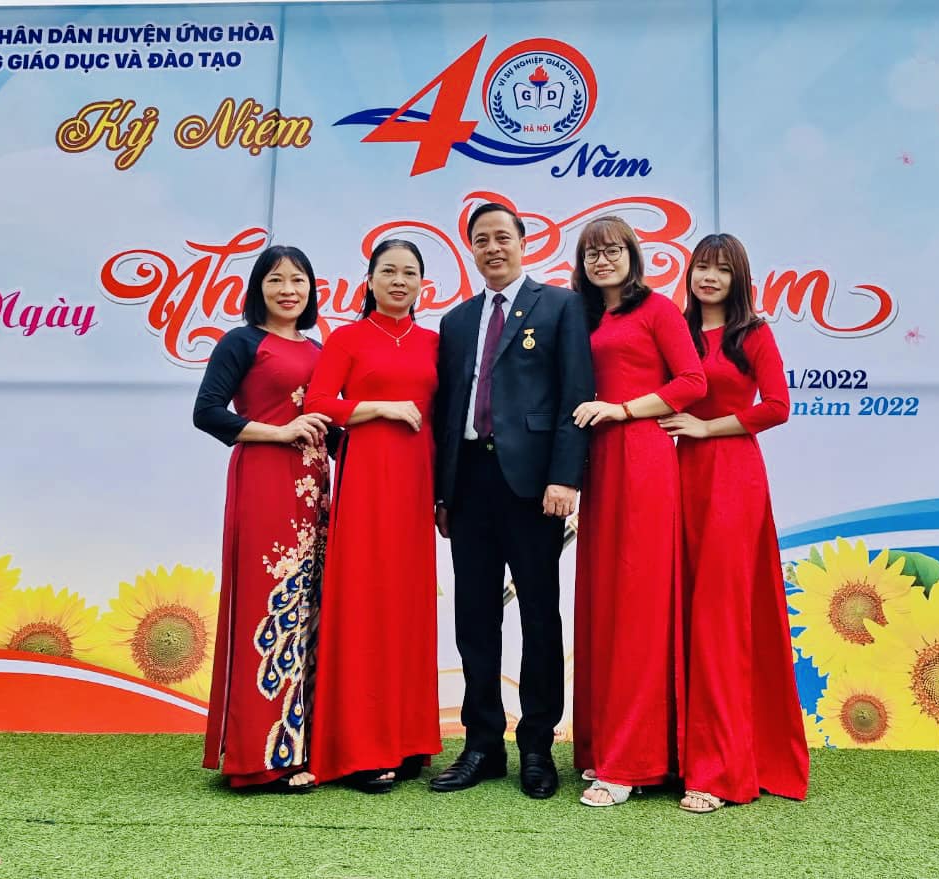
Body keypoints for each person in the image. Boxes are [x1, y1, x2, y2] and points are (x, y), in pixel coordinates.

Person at [430, 202, 594, 799]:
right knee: (474, 615)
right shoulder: (456, 321)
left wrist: (565, 477)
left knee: (539, 615)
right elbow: (448, 409)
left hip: (533, 486)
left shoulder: (561, 307)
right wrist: (442, 492)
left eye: (503, 237)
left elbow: (576, 394)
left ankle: (537, 746)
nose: (493, 247)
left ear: (524, 242)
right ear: (470, 250)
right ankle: (481, 744)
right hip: (469, 484)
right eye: (481, 239)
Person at [659, 232, 810, 812]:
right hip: (674, 475)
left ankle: (721, 771)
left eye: (722, 269)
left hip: (730, 477)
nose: (709, 277)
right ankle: (669, 756)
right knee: (677, 612)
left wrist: (706, 427)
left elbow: (777, 406)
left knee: (720, 618)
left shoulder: (753, 334)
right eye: (702, 266)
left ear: (739, 279)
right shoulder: (676, 330)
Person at [570, 216, 707, 807]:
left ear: (632, 255)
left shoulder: (657, 310)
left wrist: (624, 410)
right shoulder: (580, 315)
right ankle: (602, 746)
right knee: (602, 603)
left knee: (638, 606)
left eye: (612, 250)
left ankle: (633, 761)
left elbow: (692, 382)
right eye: (592, 253)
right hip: (597, 465)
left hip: (643, 461)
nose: (602, 261)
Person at [303, 239, 442, 794]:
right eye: (389, 271)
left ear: (422, 284)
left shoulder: (434, 342)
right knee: (365, 603)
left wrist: (444, 495)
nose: (399, 281)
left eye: (409, 273)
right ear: (370, 279)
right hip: (366, 482)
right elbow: (318, 402)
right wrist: (381, 408)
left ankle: (407, 740)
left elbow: (445, 415)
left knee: (409, 606)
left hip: (417, 484)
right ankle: (362, 748)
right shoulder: (348, 338)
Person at [194, 245, 332, 793]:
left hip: (316, 487)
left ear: (311, 289)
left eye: (298, 280)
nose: (288, 290)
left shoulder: (320, 348)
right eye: (276, 280)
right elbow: (207, 412)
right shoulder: (242, 342)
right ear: (258, 289)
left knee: (311, 611)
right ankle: (259, 758)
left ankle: (303, 748)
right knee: (266, 603)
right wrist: (279, 432)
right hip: (265, 480)